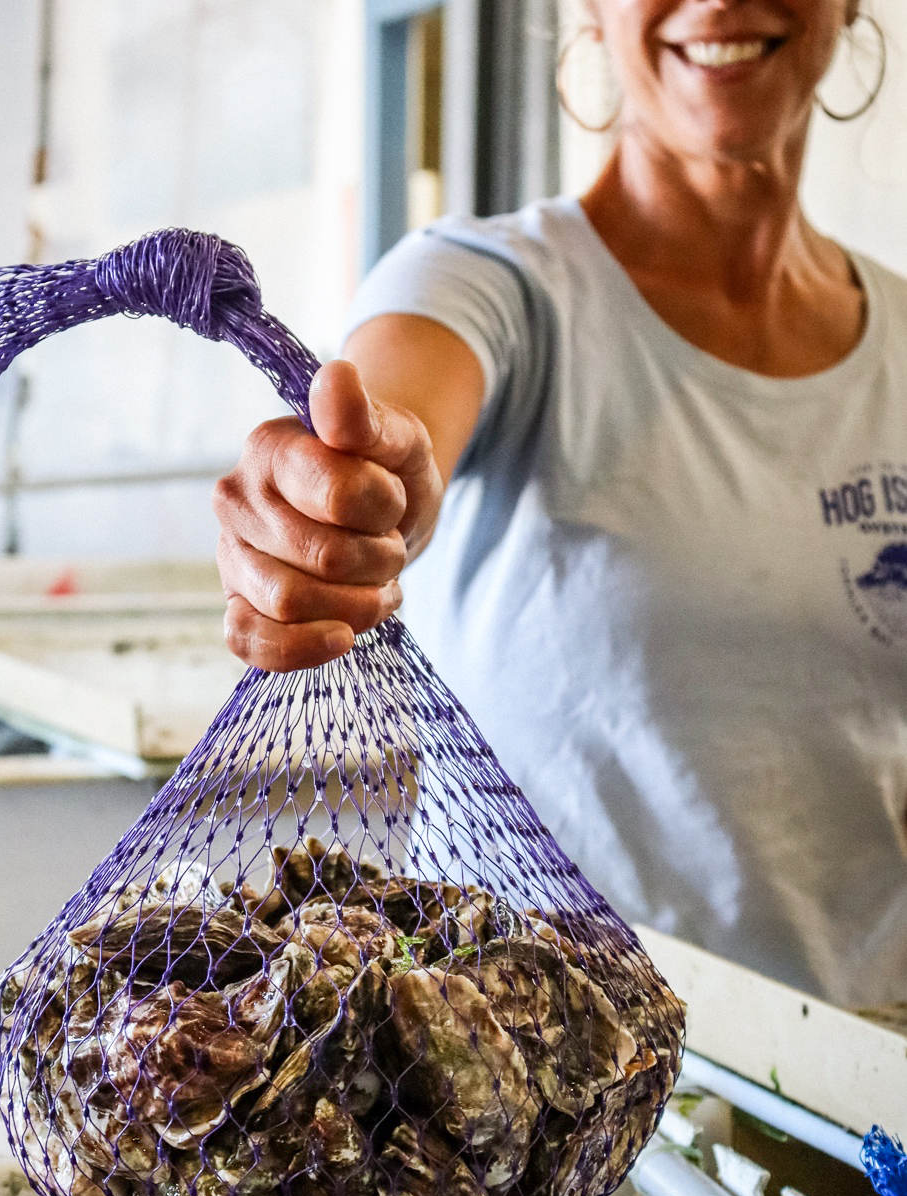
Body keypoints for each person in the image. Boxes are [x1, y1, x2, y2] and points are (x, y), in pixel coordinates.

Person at [212, 0, 907, 1009]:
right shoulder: (490, 283)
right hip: (557, 1107)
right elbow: (399, 433)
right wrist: (349, 498)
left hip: (862, 1107)